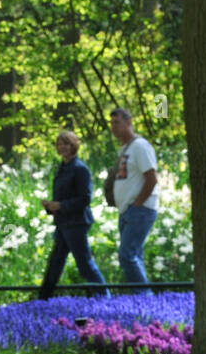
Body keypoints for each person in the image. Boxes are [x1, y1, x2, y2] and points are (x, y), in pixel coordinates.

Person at [37, 130, 108, 300]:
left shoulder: (80, 169)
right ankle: (42, 300)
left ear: (74, 145)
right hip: (62, 222)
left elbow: (85, 198)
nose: (62, 147)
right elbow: (62, 196)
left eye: (66, 143)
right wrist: (50, 206)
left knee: (84, 263)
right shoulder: (62, 168)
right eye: (59, 144)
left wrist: (60, 206)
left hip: (76, 223)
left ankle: (105, 297)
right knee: (55, 263)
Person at [109, 107, 158, 289]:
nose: (114, 128)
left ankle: (145, 298)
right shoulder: (124, 149)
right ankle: (144, 301)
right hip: (127, 210)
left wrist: (137, 204)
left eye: (117, 123)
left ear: (129, 122)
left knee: (126, 255)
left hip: (140, 210)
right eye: (111, 124)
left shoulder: (140, 146)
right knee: (134, 255)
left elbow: (152, 178)